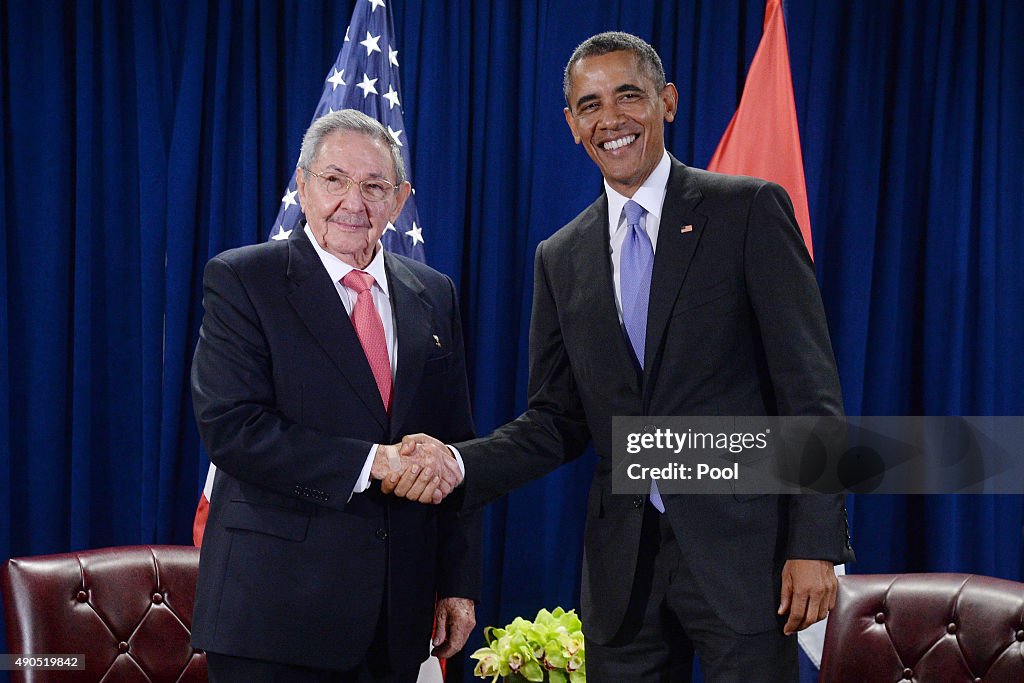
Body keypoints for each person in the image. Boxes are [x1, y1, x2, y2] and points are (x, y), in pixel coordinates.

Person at [388, 32, 854, 682]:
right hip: (622, 573)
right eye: (589, 104)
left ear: (666, 101)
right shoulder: (562, 255)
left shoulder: (745, 211)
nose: (610, 119)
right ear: (572, 124)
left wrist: (815, 542)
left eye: (627, 95)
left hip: (743, 559)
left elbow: (810, 389)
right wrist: (458, 462)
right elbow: (556, 419)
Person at [190, 109, 478, 682]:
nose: (355, 201)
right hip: (274, 616)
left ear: (400, 200)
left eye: (375, 186)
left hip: (398, 619)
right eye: (335, 179)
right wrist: (376, 463)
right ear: (301, 185)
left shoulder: (434, 292)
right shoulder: (246, 279)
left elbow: (454, 448)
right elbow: (233, 428)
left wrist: (458, 583)